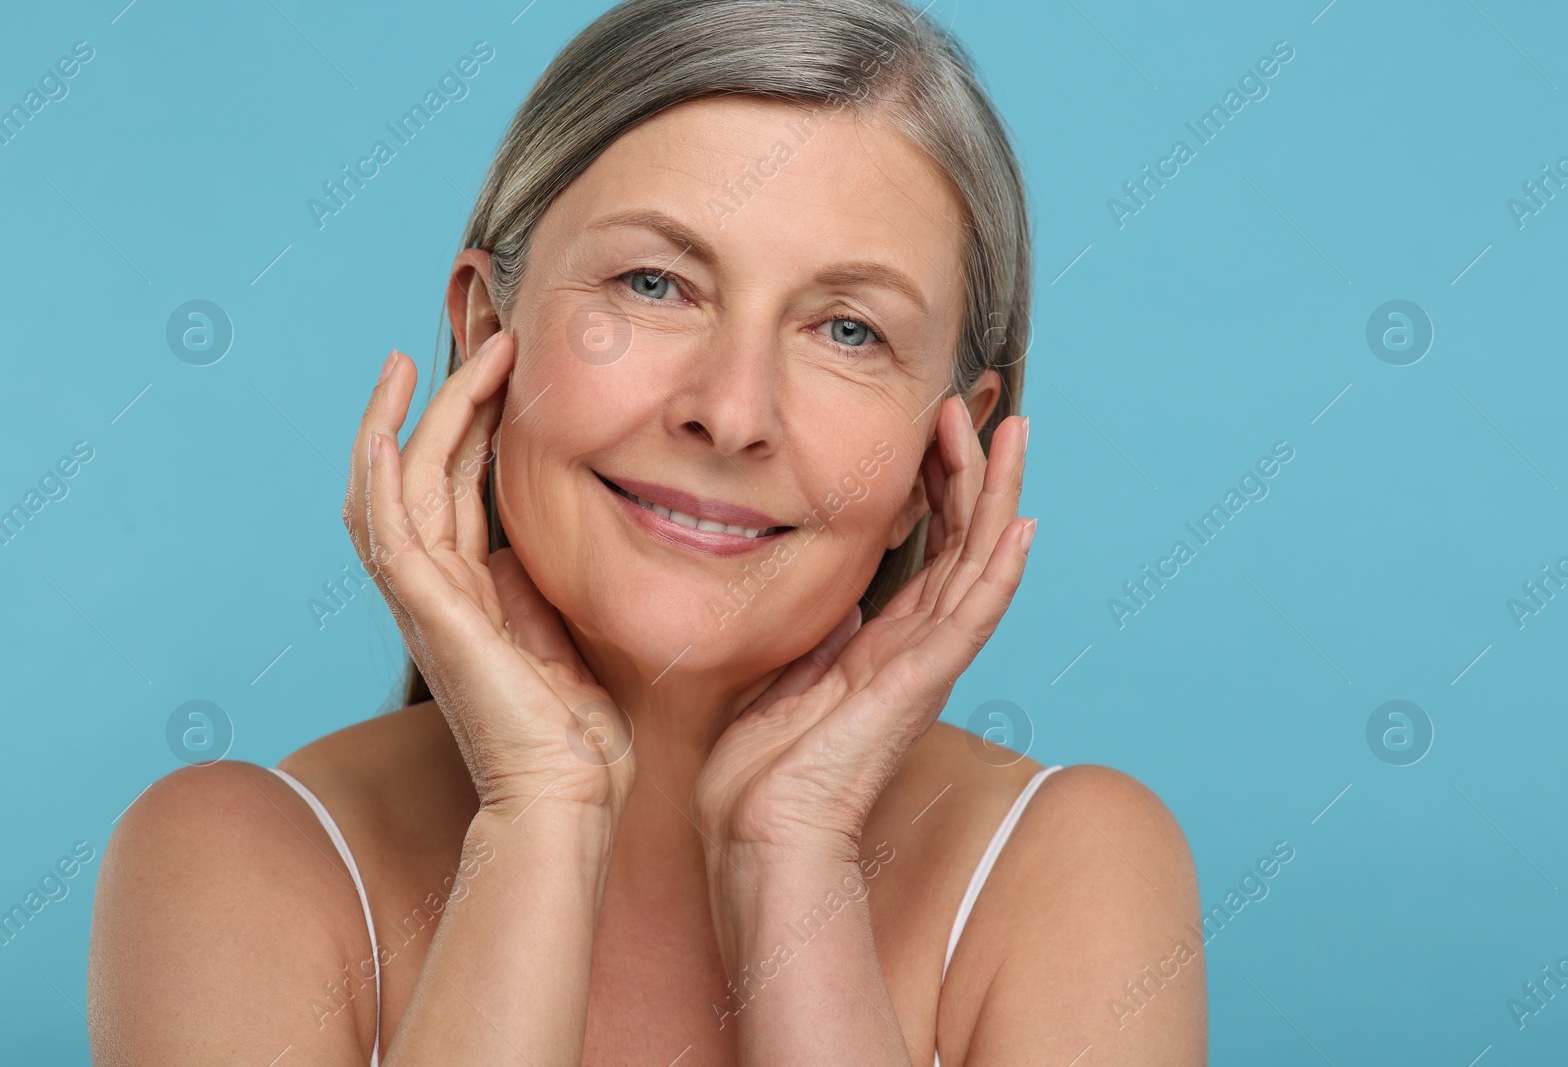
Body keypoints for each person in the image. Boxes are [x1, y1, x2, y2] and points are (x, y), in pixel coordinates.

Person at [88, 0, 1205, 1062]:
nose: (729, 410)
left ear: (943, 453)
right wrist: (539, 816)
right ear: (487, 332)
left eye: (849, 329)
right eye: (655, 283)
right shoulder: (229, 863)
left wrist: (789, 851)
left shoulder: (1071, 866)